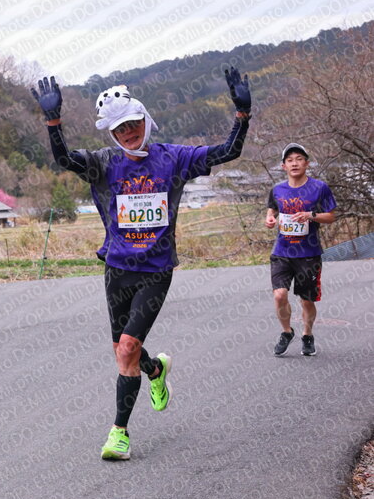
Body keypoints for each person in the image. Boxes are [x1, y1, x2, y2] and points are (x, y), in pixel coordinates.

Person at [31, 68, 252, 460]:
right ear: (112, 135)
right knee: (123, 351)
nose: (129, 133)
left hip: (155, 271)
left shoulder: (174, 158)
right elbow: (64, 159)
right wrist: (53, 123)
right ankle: (155, 371)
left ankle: (119, 433)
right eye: (120, 129)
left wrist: (242, 114)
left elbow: (226, 152)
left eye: (133, 124)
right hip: (117, 270)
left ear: (145, 120)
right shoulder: (104, 163)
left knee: (129, 346)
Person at [265, 143, 336, 357]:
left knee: (307, 300)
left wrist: (311, 215)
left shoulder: (319, 188)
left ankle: (307, 334)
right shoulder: (277, 189)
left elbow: (331, 216)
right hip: (282, 252)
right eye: (290, 160)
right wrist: (270, 219)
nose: (294, 163)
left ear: (307, 163)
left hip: (309, 254)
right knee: (280, 295)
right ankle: (287, 332)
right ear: (283, 166)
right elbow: (272, 209)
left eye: (299, 159)